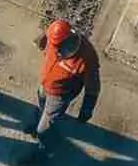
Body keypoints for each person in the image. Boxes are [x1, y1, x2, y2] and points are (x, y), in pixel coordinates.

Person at [30, 18, 101, 151]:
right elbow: (43, 40)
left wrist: (86, 110)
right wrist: (40, 41)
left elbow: (93, 89)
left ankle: (45, 150)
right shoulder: (54, 34)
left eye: (59, 48)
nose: (55, 51)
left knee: (44, 129)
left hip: (60, 95)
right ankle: (38, 126)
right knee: (41, 107)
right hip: (44, 84)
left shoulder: (87, 58)